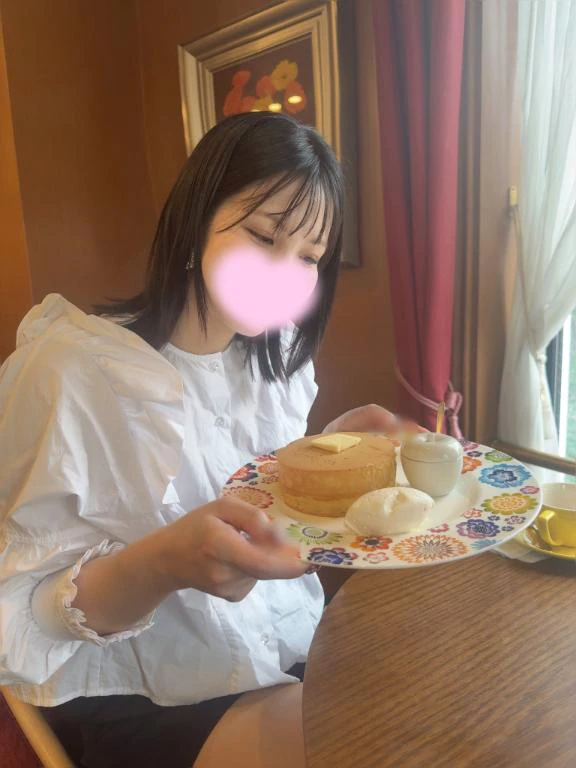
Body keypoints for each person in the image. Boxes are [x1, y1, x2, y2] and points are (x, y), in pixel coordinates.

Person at [0, 112, 403, 767]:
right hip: (142, 692)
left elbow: (256, 491)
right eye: (265, 236)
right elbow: (19, 615)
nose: (286, 274)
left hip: (281, 647)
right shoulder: (68, 371)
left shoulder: (275, 364)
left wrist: (326, 456)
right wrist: (163, 564)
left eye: (309, 257)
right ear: (194, 223)